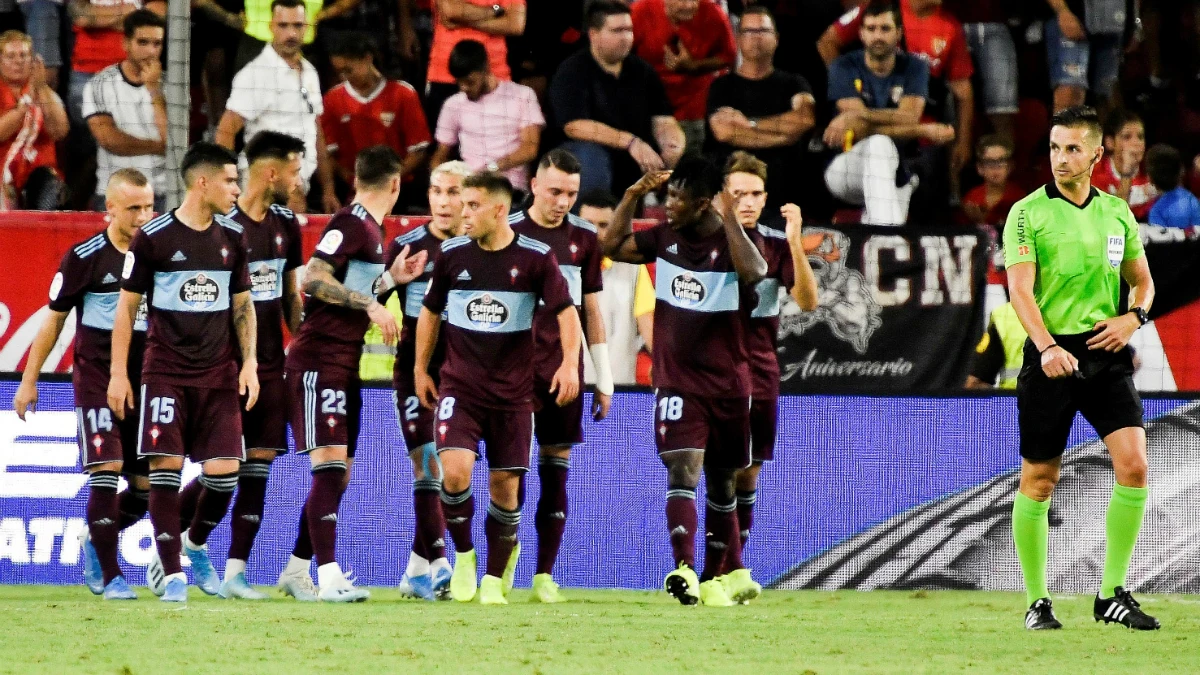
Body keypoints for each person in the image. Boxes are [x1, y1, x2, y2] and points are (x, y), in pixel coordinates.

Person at [1002, 105, 1158, 630]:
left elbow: (1144, 281)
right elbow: (1019, 290)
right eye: (1053, 147)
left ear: (1097, 153)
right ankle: (1037, 600)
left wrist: (1133, 318)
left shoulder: (1116, 211)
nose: (1061, 158)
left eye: (1072, 148)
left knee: (1134, 466)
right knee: (1040, 480)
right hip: (1051, 356)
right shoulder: (1026, 212)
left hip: (1106, 352)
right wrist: (1045, 347)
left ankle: (1111, 593)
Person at [599, 156, 768, 607]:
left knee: (723, 483)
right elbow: (612, 246)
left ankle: (717, 579)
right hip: (677, 380)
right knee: (683, 467)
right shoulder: (664, 237)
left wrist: (729, 214)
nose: (668, 205)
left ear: (703, 202)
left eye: (677, 198)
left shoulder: (734, 241)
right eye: (667, 195)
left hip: (730, 383)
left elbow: (755, 272)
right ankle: (685, 569)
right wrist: (633, 195)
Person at [413, 171, 582, 606]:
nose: (462, 213)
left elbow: (566, 313)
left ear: (498, 210)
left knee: (505, 487)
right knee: (453, 472)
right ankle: (466, 555)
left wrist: (569, 364)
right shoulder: (451, 255)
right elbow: (431, 313)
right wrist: (420, 368)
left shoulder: (535, 258)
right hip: (460, 389)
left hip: (512, 396)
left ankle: (493, 577)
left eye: (472, 205)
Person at [107, 142, 259, 603]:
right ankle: (173, 576)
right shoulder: (153, 238)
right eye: (231, 180)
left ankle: (190, 545)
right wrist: (119, 372)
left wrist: (249, 361)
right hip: (166, 373)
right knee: (165, 471)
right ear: (203, 182)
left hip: (218, 374)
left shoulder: (233, 239)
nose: (237, 189)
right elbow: (126, 308)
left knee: (225, 473)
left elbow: (243, 306)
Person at [279, 145, 426, 602]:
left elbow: (351, 284)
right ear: (397, 184)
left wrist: (389, 282)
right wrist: (370, 302)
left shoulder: (372, 230)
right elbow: (313, 279)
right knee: (329, 469)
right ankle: (329, 578)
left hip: (346, 364)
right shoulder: (349, 223)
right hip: (317, 361)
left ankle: (296, 571)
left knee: (339, 474)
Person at [168, 131, 307, 600]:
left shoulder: (287, 224)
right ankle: (172, 548)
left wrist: (301, 343)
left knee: (259, 465)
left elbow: (290, 294)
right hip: (220, 366)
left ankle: (235, 572)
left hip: (270, 366)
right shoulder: (223, 226)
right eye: (294, 170)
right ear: (272, 172)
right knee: (219, 469)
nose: (299, 179)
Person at [12, 169, 156, 600]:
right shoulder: (85, 257)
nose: (144, 217)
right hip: (97, 379)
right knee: (106, 470)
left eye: (150, 206)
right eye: (134, 208)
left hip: (149, 380)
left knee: (147, 488)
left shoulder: (163, 252)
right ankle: (111, 576)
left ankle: (96, 540)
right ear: (109, 209)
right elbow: (53, 321)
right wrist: (29, 381)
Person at [508, 149, 611, 603]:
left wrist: (603, 377)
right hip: (508, 373)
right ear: (533, 185)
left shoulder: (585, 238)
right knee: (506, 473)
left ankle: (544, 575)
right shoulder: (506, 231)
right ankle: (501, 563)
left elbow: (591, 308)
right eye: (554, 191)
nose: (562, 201)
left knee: (555, 473)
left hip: (563, 373)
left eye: (570, 193)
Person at [723, 151, 817, 576]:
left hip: (759, 369)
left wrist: (795, 241)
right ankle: (715, 566)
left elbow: (808, 301)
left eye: (755, 194)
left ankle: (735, 564)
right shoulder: (705, 240)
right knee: (715, 468)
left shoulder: (776, 246)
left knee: (749, 470)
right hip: (709, 370)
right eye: (738, 193)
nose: (747, 201)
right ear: (723, 195)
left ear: (766, 198)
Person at [387, 159, 470, 601]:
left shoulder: (482, 247)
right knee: (428, 464)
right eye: (436, 191)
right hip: (414, 372)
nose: (442, 201)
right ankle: (441, 565)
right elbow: (372, 294)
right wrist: (388, 283)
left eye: (453, 192)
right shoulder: (406, 245)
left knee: (451, 472)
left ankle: (416, 570)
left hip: (465, 374)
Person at [818, 0, 975, 196]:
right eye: (873, 29)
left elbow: (963, 90)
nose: (878, 34)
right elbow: (828, 41)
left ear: (898, 32)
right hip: (875, 131)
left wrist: (964, 141)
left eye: (885, 30)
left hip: (920, 131)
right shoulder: (881, 8)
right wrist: (847, 84)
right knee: (878, 147)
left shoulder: (950, 27)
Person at [548, 0, 684, 200]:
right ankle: (591, 222)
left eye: (629, 30)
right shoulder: (573, 70)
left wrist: (672, 144)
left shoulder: (643, 71)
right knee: (591, 157)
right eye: (617, 31)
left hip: (635, 156)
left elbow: (663, 119)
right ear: (594, 35)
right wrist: (630, 142)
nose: (626, 37)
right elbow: (574, 126)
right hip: (585, 156)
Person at [217, 0, 339, 213]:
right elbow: (225, 131)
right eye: (283, 26)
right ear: (271, 26)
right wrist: (229, 184)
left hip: (301, 185)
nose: (291, 34)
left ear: (307, 27)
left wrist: (328, 189)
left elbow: (316, 131)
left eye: (297, 26)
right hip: (264, 187)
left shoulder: (310, 72)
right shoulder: (255, 74)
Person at [706, 4, 815, 212]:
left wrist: (749, 124)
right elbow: (725, 132)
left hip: (787, 189)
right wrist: (783, 136)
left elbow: (804, 120)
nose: (756, 37)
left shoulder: (795, 83)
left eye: (763, 31)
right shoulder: (721, 86)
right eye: (749, 31)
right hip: (732, 190)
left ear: (776, 38)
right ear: (738, 38)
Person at [322, 34, 431, 201]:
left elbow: (418, 150)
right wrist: (354, 181)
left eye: (348, 70)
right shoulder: (332, 99)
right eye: (339, 72)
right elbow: (329, 153)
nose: (344, 77)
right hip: (353, 192)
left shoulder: (403, 94)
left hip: (399, 192)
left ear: (367, 58)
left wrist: (386, 183)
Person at [430, 39, 543, 193]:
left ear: (486, 69)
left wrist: (490, 169)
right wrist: (438, 182)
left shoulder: (523, 95)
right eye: (459, 82)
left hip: (510, 187)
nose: (464, 88)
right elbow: (441, 153)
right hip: (469, 187)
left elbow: (530, 149)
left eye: (470, 82)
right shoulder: (453, 104)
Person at [82, 9, 167, 213]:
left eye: (157, 44)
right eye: (143, 42)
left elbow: (173, 140)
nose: (151, 51)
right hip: (115, 192)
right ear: (125, 43)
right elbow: (109, 140)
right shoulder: (99, 84)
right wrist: (158, 146)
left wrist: (154, 90)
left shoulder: (173, 85)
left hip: (163, 193)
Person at [630, 0, 736, 154]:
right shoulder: (640, 11)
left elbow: (729, 56)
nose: (689, 5)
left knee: (688, 162)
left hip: (692, 105)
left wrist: (694, 67)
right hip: (647, 104)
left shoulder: (714, 13)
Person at [425, 0, 526, 132]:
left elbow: (515, 25)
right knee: (444, 147)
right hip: (446, 75)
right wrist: (497, 10)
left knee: (496, 144)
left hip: (494, 75)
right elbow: (451, 11)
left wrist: (462, 19)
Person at [579, 190, 641, 385]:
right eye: (587, 224)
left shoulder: (634, 270)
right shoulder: (558, 269)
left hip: (622, 392)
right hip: (572, 392)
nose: (595, 233)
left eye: (603, 225)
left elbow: (650, 327)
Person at [0, 29, 67, 209]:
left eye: (24, 55)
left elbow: (60, 131)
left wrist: (42, 88)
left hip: (38, 178)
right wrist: (26, 105)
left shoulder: (45, 92)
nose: (18, 61)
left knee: (51, 183)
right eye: (11, 56)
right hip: (2, 177)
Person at [1044, 0, 1127, 112]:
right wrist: (1062, 10)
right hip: (1071, 15)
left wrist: (1135, 25)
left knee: (1107, 97)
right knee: (1070, 95)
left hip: (1113, 21)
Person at [1091, 109, 1157, 222]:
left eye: (1140, 137)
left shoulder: (1154, 171)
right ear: (1110, 143)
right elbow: (1113, 221)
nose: (1136, 143)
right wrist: (1127, 174)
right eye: (1127, 137)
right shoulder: (1094, 174)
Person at [957, 135, 1024, 230]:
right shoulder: (972, 198)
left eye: (1001, 161)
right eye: (989, 162)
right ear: (980, 168)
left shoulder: (1019, 197)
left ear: (1010, 166)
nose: (995, 167)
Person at [964, 301, 1027, 389]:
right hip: (1048, 399)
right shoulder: (1002, 315)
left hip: (1013, 399)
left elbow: (974, 381)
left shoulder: (1004, 314)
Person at [1146, 144, 1200, 230]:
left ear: (1150, 178)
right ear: (1181, 171)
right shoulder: (1194, 201)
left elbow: (1159, 241)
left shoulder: (1156, 212)